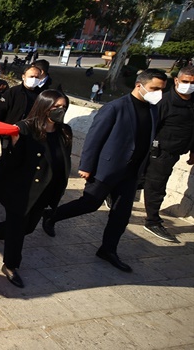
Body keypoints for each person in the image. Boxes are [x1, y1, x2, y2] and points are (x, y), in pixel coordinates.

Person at [43, 69, 168, 273]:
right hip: (107, 168)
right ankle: (52, 215)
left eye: (162, 89)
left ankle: (108, 250)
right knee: (90, 204)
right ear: (139, 85)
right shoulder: (115, 107)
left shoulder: (154, 109)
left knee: (121, 214)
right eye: (155, 88)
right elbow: (95, 137)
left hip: (131, 172)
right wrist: (86, 166)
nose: (159, 93)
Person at [0, 90, 72, 288]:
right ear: (44, 106)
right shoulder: (25, 128)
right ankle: (11, 266)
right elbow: (11, 164)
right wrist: (14, 144)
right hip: (22, 189)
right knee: (17, 229)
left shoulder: (65, 131)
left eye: (63, 107)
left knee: (29, 227)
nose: (60, 110)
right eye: (56, 107)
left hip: (46, 189)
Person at [141, 66, 194, 243]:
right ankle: (152, 221)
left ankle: (111, 191)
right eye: (185, 81)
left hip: (177, 151)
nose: (189, 85)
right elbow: (151, 127)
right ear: (177, 81)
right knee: (156, 186)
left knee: (145, 181)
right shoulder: (164, 102)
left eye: (193, 82)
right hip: (161, 151)